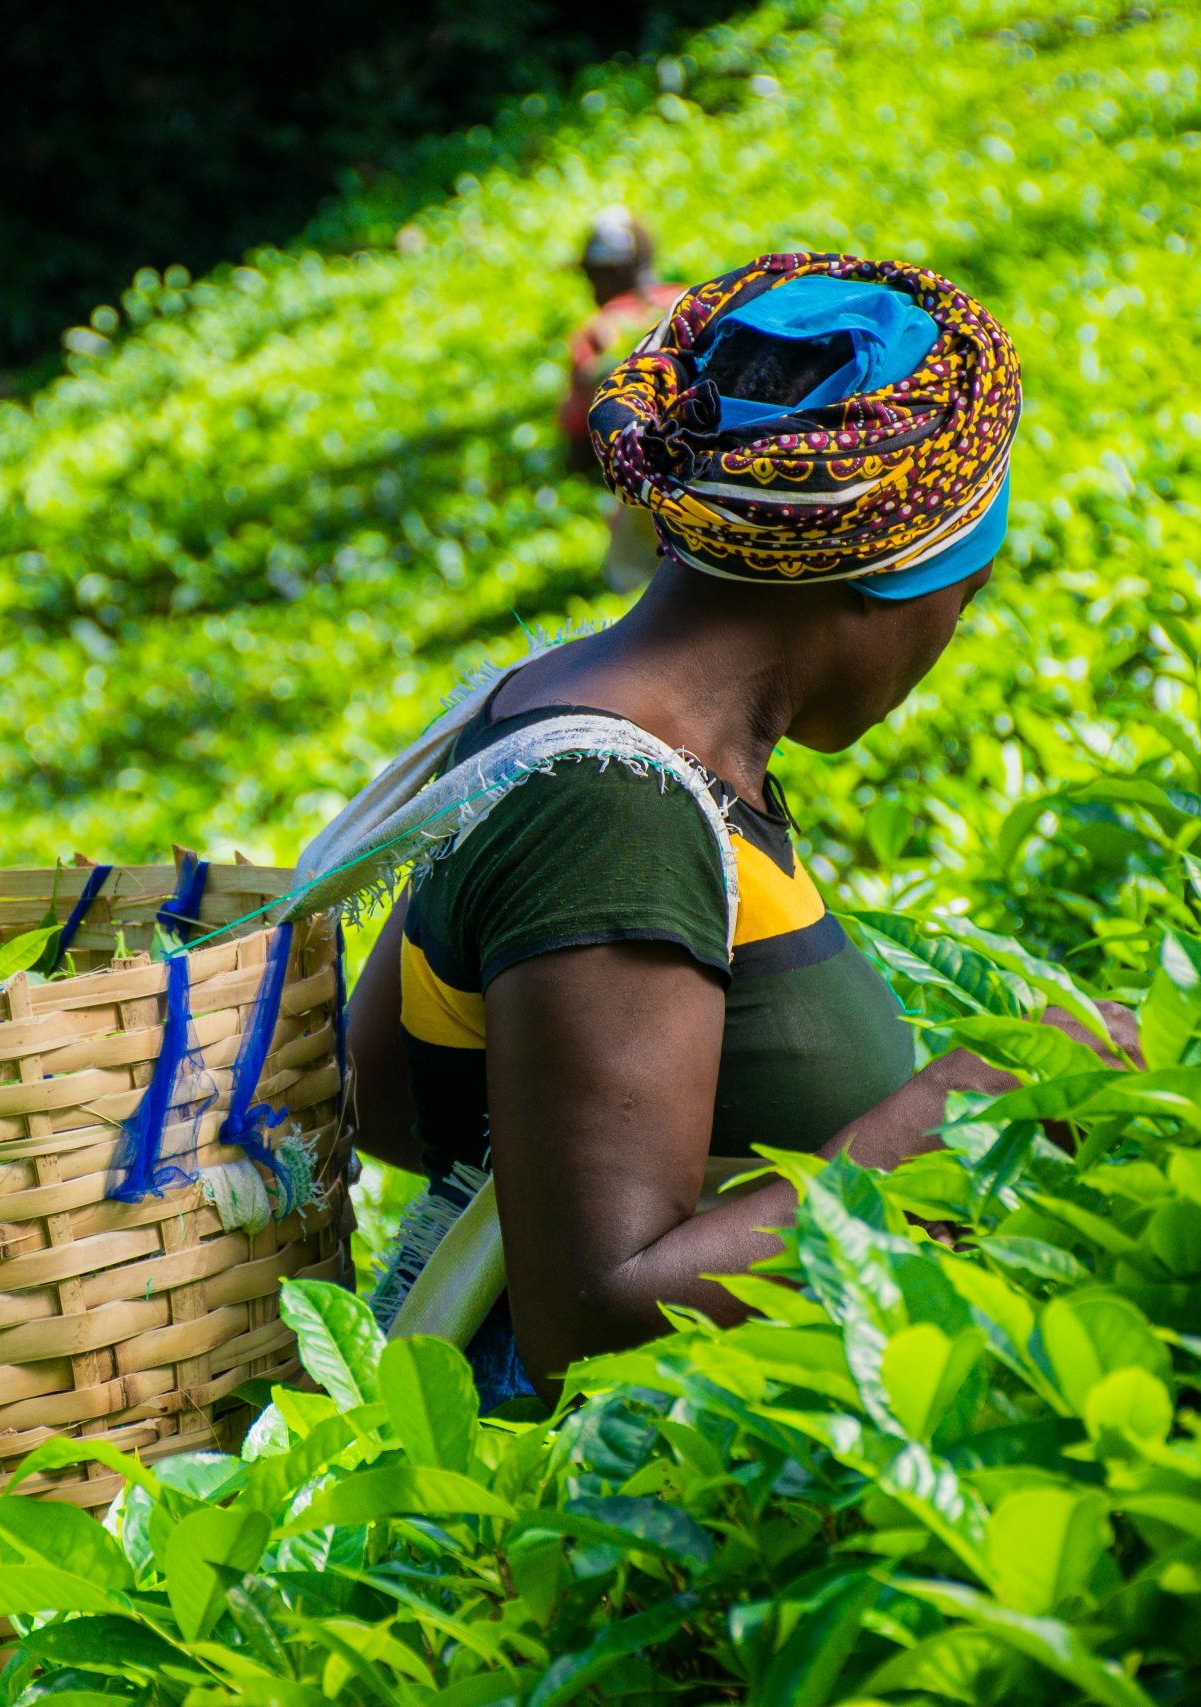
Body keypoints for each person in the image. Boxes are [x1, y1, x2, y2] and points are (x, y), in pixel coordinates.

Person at [335, 253, 1137, 1408]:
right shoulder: (616, 807)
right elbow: (593, 1322)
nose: (956, 629)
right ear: (887, 574)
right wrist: (943, 1125)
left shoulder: (560, 701)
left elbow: (398, 1082)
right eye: (970, 592)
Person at [561, 208, 687, 591]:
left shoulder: (599, 333)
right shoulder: (689, 301)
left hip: (647, 493)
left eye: (590, 275)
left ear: (608, 274)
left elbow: (577, 443)